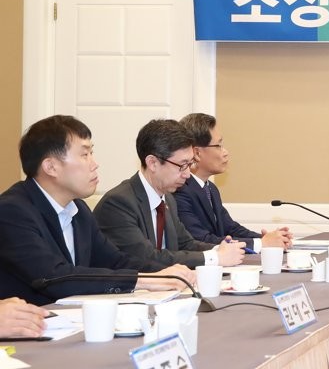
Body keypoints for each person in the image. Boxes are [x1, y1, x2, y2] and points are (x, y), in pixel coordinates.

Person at [0, 115, 193, 305]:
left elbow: (115, 261)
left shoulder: (78, 209)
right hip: (33, 321)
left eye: (92, 153)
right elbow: (54, 276)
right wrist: (144, 281)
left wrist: (167, 273)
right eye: (85, 155)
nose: (94, 164)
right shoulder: (12, 211)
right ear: (51, 167)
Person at [94, 119, 246, 268]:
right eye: (182, 165)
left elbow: (186, 244)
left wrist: (219, 249)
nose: (187, 174)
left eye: (190, 164)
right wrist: (215, 257)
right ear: (153, 163)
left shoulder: (168, 199)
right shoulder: (118, 204)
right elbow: (146, 258)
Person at [174, 113, 292, 251]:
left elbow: (231, 228)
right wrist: (262, 243)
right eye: (218, 145)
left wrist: (267, 239)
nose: (225, 152)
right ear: (197, 153)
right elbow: (201, 239)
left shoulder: (210, 189)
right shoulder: (179, 190)